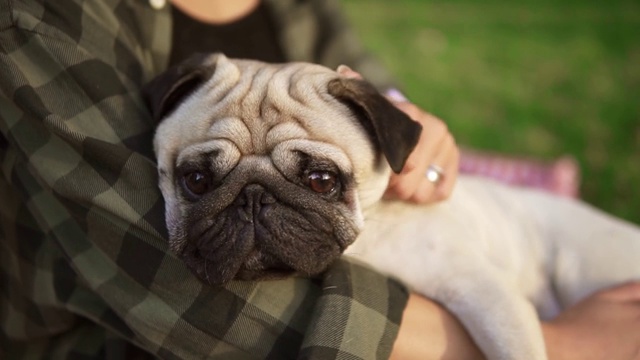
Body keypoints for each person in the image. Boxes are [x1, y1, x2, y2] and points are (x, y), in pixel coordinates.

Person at [1, 1, 638, 359]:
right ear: (161, 116)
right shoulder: (42, 24)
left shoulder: (302, 9)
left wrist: (411, 124)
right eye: (201, 180)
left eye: (318, 180)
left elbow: (373, 86)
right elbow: (170, 295)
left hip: (562, 257)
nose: (254, 209)